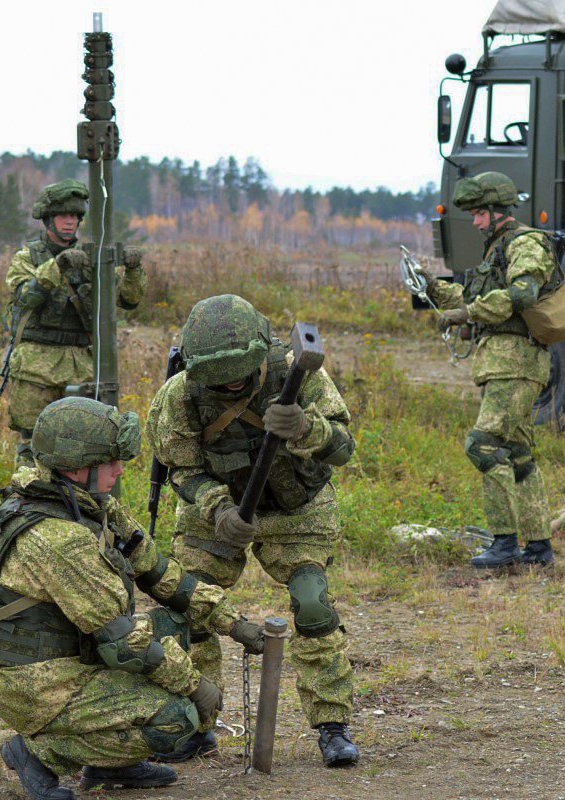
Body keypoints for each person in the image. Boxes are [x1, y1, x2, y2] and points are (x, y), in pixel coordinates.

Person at [0, 397, 265, 800]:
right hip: (38, 684)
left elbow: (160, 573)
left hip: (75, 655)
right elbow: (122, 641)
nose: (120, 470)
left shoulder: (88, 506)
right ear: (76, 466)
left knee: (177, 624)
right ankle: (38, 755)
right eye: (110, 461)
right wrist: (196, 686)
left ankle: (112, 763)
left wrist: (232, 621)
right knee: (177, 720)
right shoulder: (58, 539)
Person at [145, 294, 360, 767]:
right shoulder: (179, 396)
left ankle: (332, 725)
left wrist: (308, 428)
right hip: (218, 512)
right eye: (219, 383)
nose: (232, 386)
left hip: (296, 510)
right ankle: (196, 723)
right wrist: (217, 508)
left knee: (312, 604)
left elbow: (344, 449)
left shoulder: (298, 375)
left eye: (240, 376)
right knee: (186, 607)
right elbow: (180, 468)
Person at [418, 171, 557, 569]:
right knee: (518, 453)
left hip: (517, 362)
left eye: (480, 213)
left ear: (499, 211)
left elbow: (522, 294)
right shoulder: (496, 248)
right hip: (502, 363)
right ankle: (538, 548)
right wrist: (431, 287)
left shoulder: (526, 242)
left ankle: (504, 543)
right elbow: (474, 293)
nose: (475, 222)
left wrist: (468, 313)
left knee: (483, 445)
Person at [2, 179, 147, 467]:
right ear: (48, 219)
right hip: (35, 366)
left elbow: (127, 299)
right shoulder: (27, 257)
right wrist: (57, 267)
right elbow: (26, 296)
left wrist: (133, 268)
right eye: (62, 216)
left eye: (74, 216)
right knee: (33, 447)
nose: (69, 222)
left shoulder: (92, 258)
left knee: (84, 443)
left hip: (80, 365)